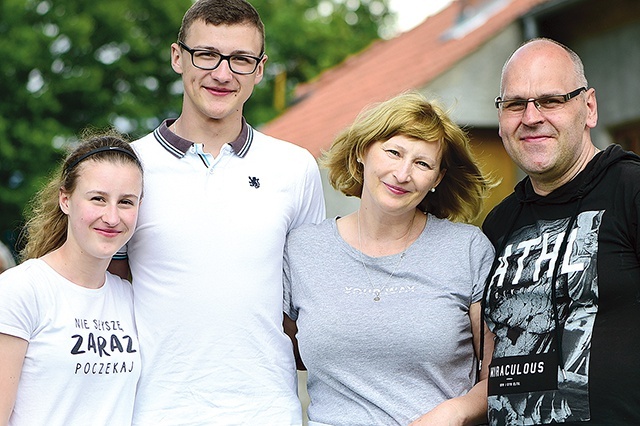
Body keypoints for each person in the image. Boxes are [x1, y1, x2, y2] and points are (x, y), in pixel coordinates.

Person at [108, 0, 326, 423]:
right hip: (154, 410)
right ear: (178, 57)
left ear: (260, 69)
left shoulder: (294, 167)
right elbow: (103, 289)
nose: (222, 74)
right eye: (206, 54)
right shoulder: (129, 166)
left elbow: (311, 297)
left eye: (241, 60)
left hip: (267, 410)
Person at [283, 91, 496, 425]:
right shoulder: (303, 249)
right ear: (362, 152)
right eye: (393, 152)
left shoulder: (467, 250)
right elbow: (277, 350)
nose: (403, 173)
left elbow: (499, 376)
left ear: (437, 178)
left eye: (422, 163)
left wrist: (454, 411)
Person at [482, 37, 640, 425]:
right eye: (515, 104)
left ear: (589, 108)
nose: (531, 117)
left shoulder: (631, 190)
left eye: (550, 100)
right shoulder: (497, 225)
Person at [0, 132, 143, 426]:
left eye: (126, 202)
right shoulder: (22, 289)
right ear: (66, 199)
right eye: (98, 199)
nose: (112, 217)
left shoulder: (129, 298)